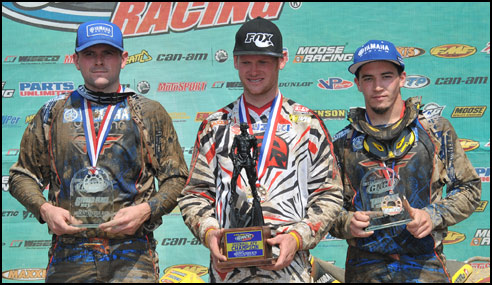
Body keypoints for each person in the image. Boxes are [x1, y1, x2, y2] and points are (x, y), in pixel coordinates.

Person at [8, 20, 189, 282]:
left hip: (133, 253)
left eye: (108, 53)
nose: (99, 61)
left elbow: (178, 178)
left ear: (123, 59)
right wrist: (45, 209)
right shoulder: (53, 112)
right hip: (69, 252)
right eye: (90, 54)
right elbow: (21, 176)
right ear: (76, 60)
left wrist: (146, 210)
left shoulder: (149, 113)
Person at [177, 17, 343, 282]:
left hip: (289, 273)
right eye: (246, 61)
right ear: (234, 61)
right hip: (229, 274)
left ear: (282, 60)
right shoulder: (215, 126)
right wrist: (209, 232)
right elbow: (195, 194)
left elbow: (329, 195)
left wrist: (297, 237)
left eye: (263, 61)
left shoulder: (306, 124)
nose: (254, 70)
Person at [329, 39, 482, 282]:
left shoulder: (435, 131)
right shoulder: (342, 143)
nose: (378, 86)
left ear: (403, 78)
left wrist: (433, 215)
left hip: (425, 263)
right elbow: (325, 205)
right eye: (368, 78)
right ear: (357, 84)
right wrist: (346, 222)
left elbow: (470, 188)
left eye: (386, 76)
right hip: (365, 266)